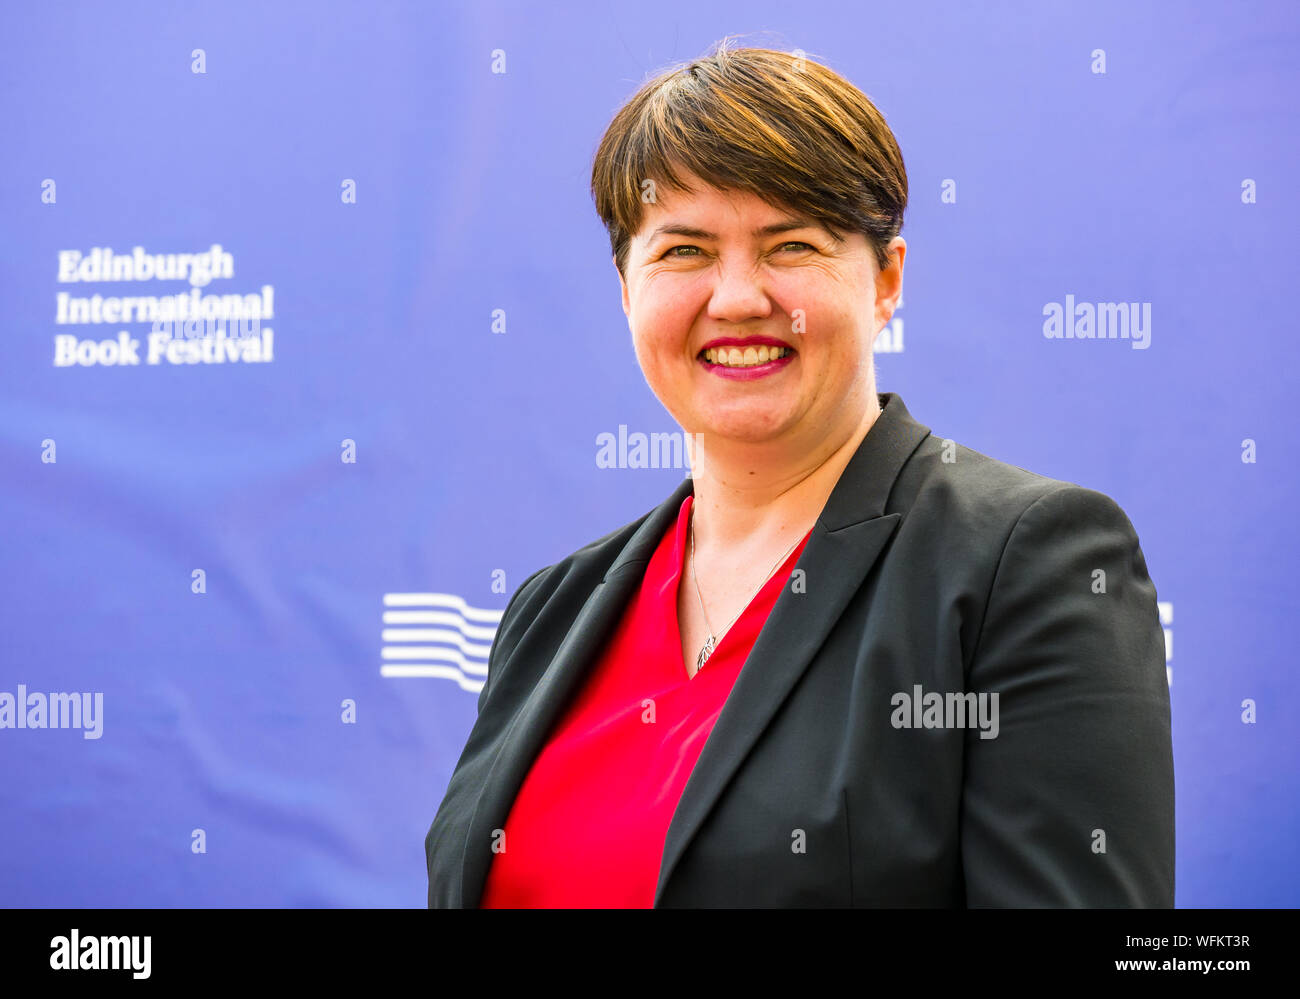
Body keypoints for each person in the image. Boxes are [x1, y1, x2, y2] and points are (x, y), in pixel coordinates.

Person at [424, 41, 1174, 908]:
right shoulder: (550, 612)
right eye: (683, 251)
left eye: (790, 245)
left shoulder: (1024, 565)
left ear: (887, 278)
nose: (737, 297)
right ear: (626, 288)